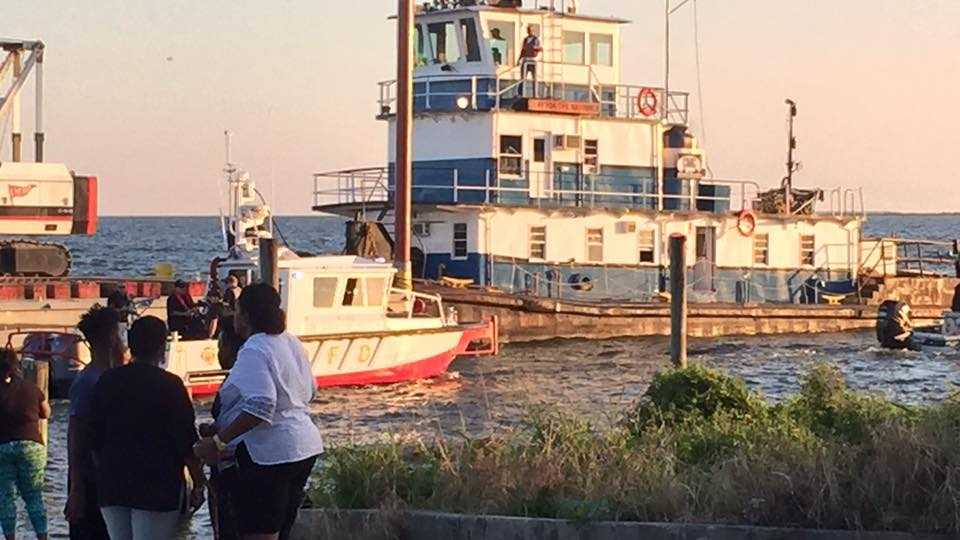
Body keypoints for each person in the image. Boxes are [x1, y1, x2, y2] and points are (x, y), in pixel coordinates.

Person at [194, 283, 323, 540]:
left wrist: (220, 441)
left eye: (238, 310)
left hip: (270, 454)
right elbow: (311, 390)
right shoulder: (291, 342)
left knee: (259, 533)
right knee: (280, 530)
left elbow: (262, 405)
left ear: (247, 316)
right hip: (303, 446)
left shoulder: (254, 348)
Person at [91, 316, 205, 540]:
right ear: (162, 347)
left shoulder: (107, 381)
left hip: (113, 482)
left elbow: (93, 436)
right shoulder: (171, 385)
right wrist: (199, 484)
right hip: (157, 485)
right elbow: (186, 441)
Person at [66, 306, 124, 540]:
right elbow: (76, 436)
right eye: (119, 335)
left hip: (110, 481)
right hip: (90, 482)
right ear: (111, 338)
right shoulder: (89, 382)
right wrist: (77, 489)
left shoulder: (111, 378)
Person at [0, 349, 51, 540]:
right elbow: (46, 413)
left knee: (5, 497)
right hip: (31, 446)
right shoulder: (31, 388)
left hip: (2, 447)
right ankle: (42, 536)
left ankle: (10, 537)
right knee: (34, 495)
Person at [518, 25, 541, 97]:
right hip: (525, 60)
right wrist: (519, 59)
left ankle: (535, 94)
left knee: (534, 78)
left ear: (533, 31)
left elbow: (538, 48)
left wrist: (535, 49)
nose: (530, 31)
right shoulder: (525, 39)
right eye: (528, 30)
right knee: (523, 78)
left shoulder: (536, 39)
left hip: (532, 60)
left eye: (531, 30)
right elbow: (523, 50)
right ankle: (521, 94)